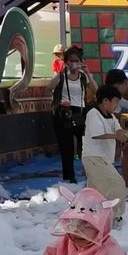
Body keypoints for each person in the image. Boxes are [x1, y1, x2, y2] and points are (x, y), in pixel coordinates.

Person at [81, 84, 128, 219]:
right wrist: (118, 136)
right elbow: (97, 134)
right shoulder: (93, 114)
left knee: (94, 193)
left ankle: (90, 217)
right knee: (117, 184)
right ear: (105, 101)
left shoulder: (111, 116)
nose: (117, 105)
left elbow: (117, 129)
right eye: (116, 102)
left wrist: (124, 133)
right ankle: (113, 216)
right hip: (94, 158)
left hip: (102, 158)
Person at [49, 45, 94, 183]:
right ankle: (69, 178)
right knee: (66, 148)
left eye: (76, 60)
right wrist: (60, 73)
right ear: (66, 61)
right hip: (63, 113)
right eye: (70, 60)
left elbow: (95, 89)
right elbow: (49, 87)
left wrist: (88, 73)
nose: (73, 63)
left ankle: (90, 176)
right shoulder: (61, 76)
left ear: (81, 61)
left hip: (79, 112)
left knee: (84, 146)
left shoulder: (82, 76)